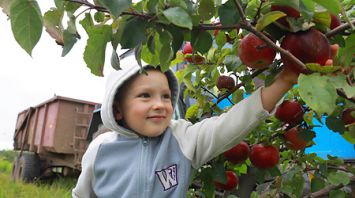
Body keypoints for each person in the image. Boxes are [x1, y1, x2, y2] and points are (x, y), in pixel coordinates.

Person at [72, 57, 298, 198]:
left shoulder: (183, 139)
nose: (160, 104)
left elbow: (230, 124)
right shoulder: (100, 149)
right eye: (145, 96)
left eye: (166, 96)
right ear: (118, 109)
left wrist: (285, 79)